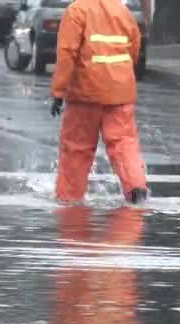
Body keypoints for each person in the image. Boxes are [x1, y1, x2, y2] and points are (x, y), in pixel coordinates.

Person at [50, 0, 148, 204]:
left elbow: (67, 53)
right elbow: (134, 47)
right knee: (123, 142)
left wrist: (59, 92)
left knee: (77, 146)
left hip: (85, 93)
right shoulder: (123, 11)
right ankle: (136, 188)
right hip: (120, 92)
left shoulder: (76, 11)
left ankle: (69, 198)